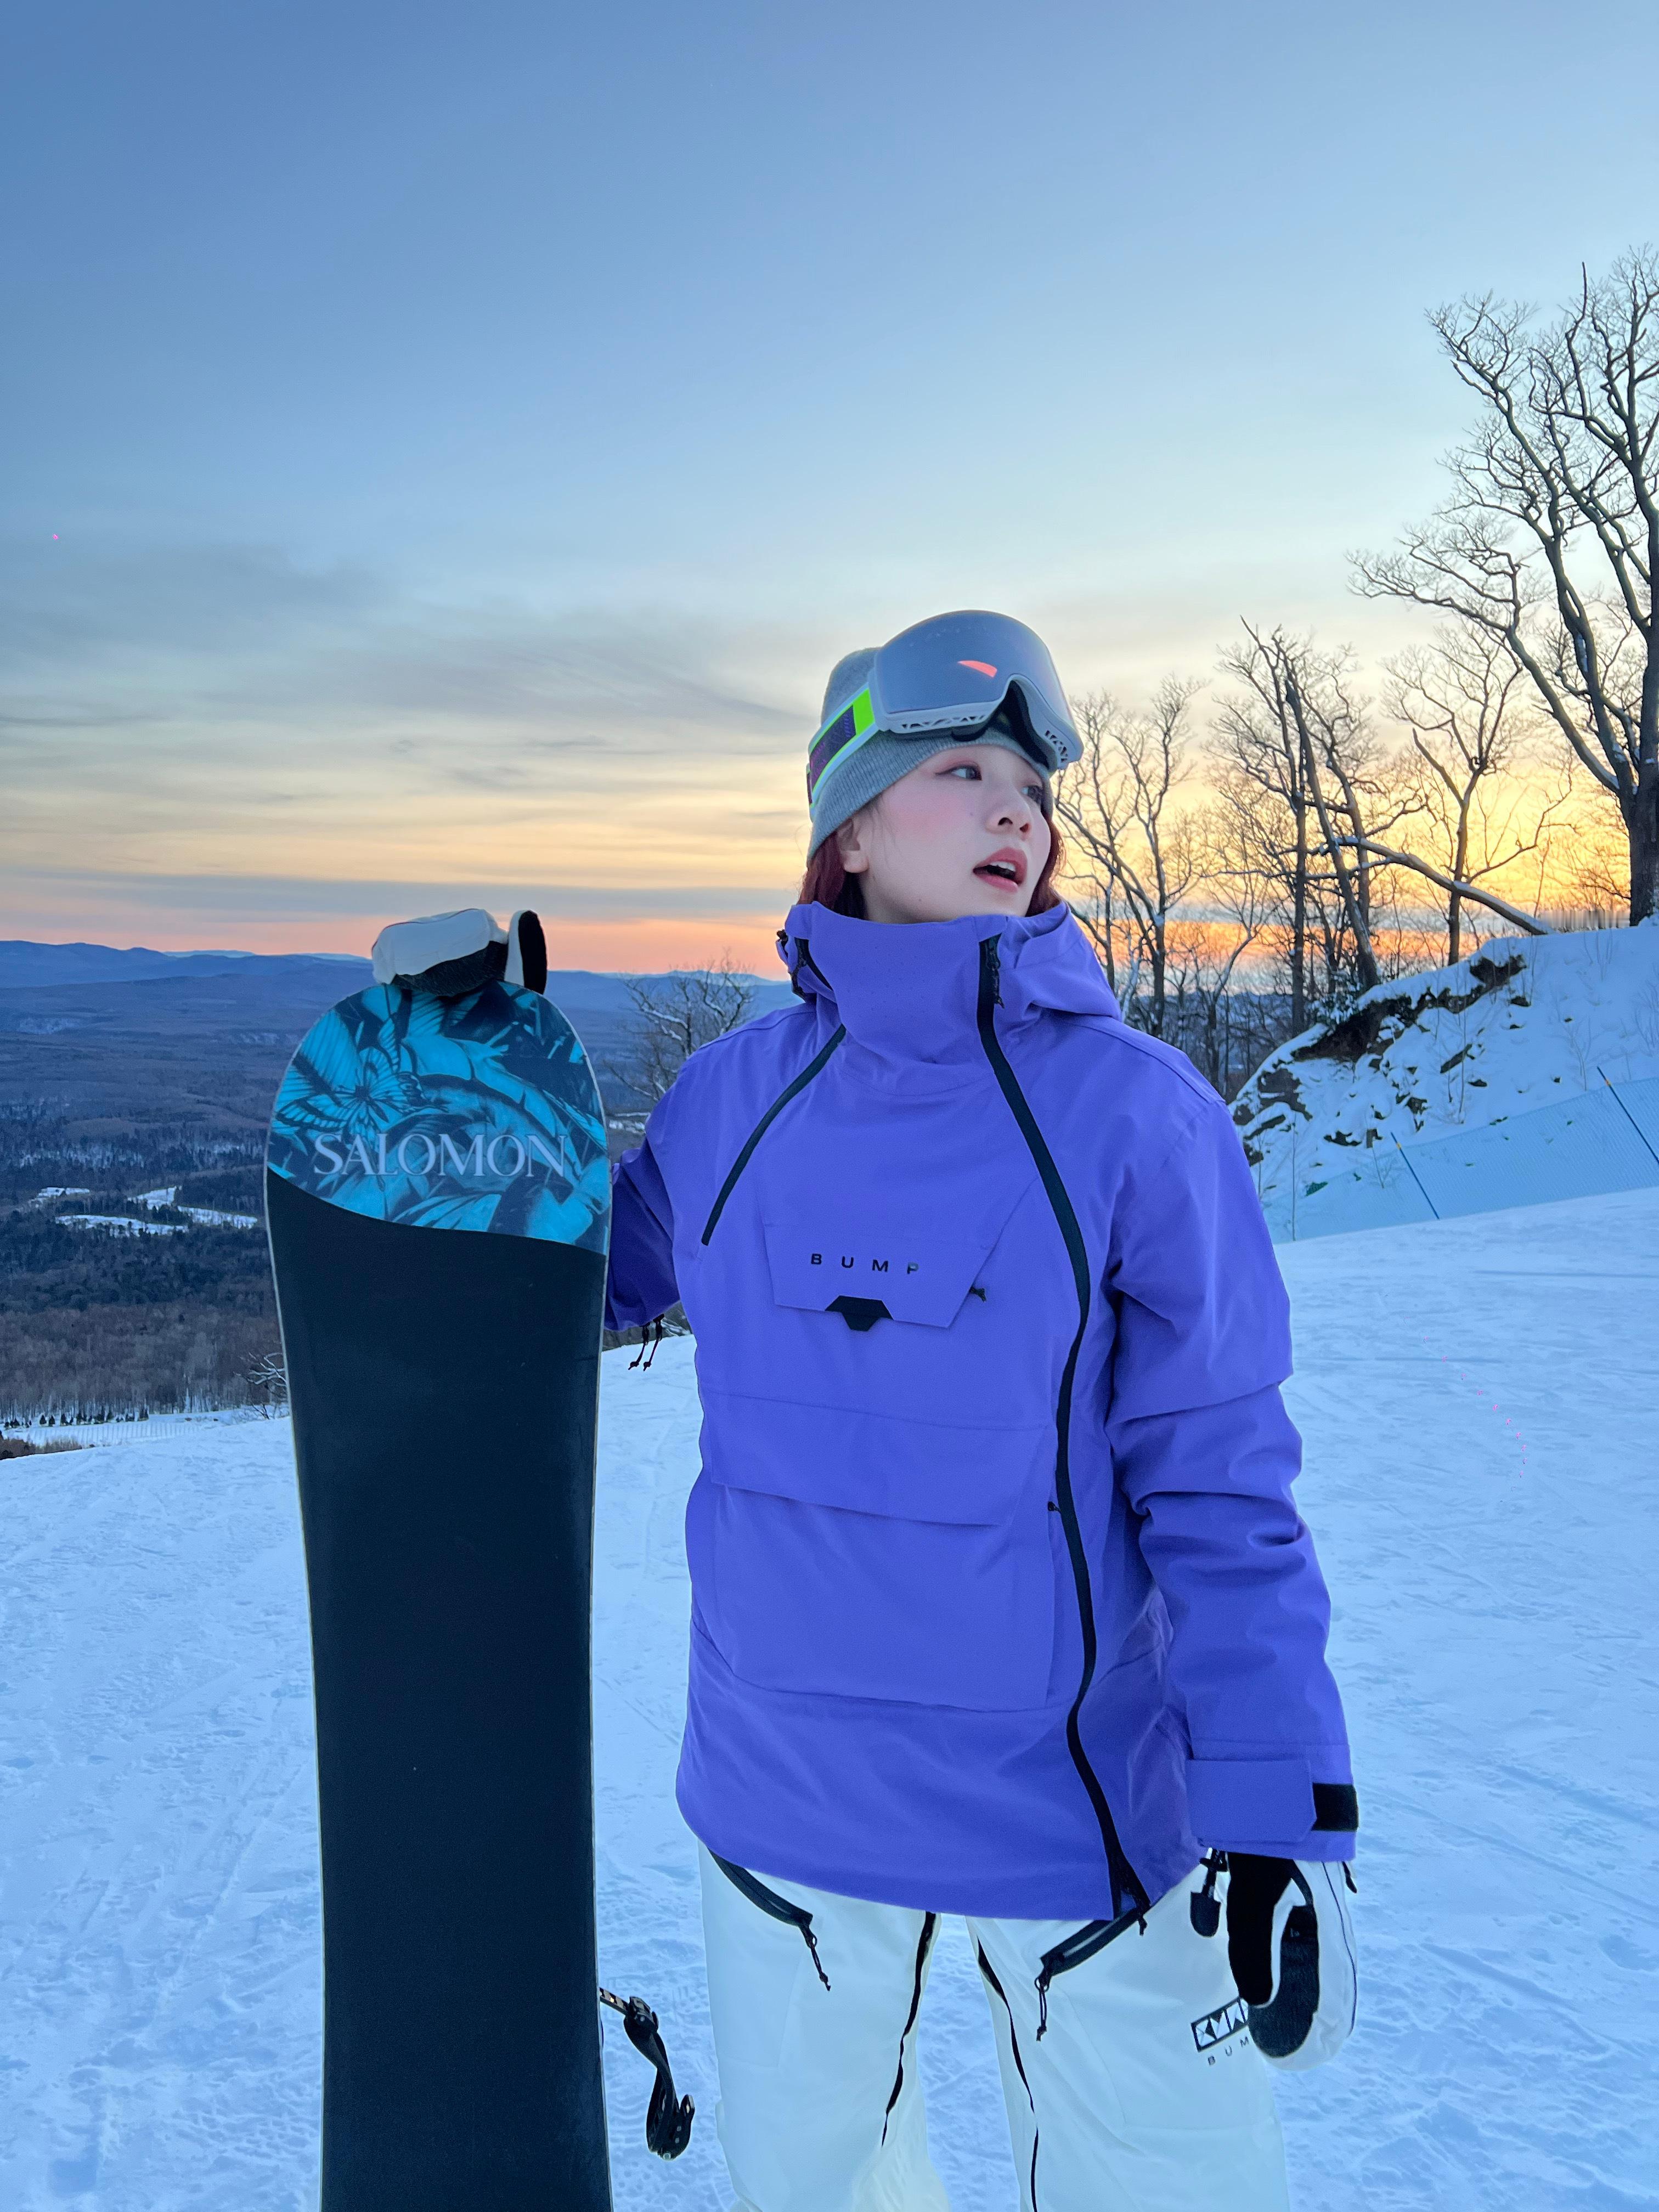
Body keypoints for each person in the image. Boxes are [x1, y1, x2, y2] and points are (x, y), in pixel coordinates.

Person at [381, 610, 1358, 2212]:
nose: (1017, 809)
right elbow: (567, 1278)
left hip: (1080, 1825)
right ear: (848, 826)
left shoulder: (1136, 1117)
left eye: (1033, 783)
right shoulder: (732, 1100)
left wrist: (1276, 1814)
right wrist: (471, 1090)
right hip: (782, 1818)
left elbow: (1222, 1483)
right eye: (964, 766)